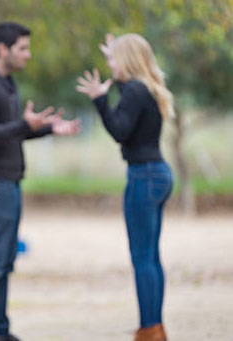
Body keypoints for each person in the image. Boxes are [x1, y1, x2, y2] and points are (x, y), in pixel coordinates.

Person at [0, 22, 80, 341]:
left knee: (4, 261)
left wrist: (46, 129)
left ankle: (0, 329)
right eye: (22, 48)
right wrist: (22, 124)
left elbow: (12, 131)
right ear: (3, 49)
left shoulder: (7, 83)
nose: (27, 55)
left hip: (8, 182)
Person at [76, 33, 174, 341]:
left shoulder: (133, 91)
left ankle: (149, 330)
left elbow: (120, 129)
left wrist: (99, 100)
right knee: (152, 257)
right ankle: (154, 326)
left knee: (142, 258)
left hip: (143, 177)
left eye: (114, 59)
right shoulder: (145, 89)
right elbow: (129, 118)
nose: (110, 65)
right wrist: (112, 64)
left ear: (128, 60)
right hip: (158, 172)